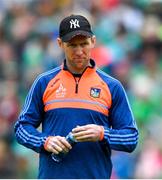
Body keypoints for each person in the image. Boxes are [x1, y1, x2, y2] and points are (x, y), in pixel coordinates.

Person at [14, 14, 139, 179]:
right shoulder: (44, 82)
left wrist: (102, 133)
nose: (79, 51)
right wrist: (45, 141)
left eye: (84, 44)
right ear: (60, 44)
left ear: (93, 41)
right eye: (72, 45)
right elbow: (22, 128)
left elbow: (131, 137)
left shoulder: (111, 86)